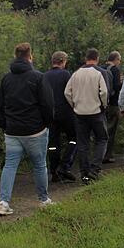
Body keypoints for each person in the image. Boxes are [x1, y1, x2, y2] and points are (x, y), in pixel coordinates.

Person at [0, 43, 55, 216]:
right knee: (39, 165)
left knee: (10, 165)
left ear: (15, 56)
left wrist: (5, 125)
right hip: (35, 130)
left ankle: (4, 202)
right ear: (30, 56)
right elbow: (47, 103)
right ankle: (43, 200)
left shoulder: (6, 79)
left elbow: (1, 105)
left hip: (12, 130)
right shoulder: (38, 77)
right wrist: (46, 123)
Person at [64, 48, 109, 184]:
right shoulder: (98, 73)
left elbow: (67, 92)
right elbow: (104, 92)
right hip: (95, 112)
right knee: (102, 139)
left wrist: (74, 105)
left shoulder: (76, 74)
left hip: (79, 112)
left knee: (83, 143)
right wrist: (103, 105)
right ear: (97, 58)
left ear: (85, 58)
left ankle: (84, 172)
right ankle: (94, 169)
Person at [44, 51, 77, 183]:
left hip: (50, 114)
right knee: (75, 138)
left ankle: (54, 170)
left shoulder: (44, 76)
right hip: (66, 112)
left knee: (53, 143)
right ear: (63, 61)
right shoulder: (65, 74)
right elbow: (70, 92)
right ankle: (65, 165)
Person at [103, 51, 122, 164]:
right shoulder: (115, 69)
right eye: (119, 60)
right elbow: (116, 86)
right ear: (116, 59)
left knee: (101, 130)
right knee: (111, 130)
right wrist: (121, 82)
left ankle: (98, 152)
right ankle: (107, 155)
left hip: (100, 104)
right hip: (112, 104)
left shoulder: (100, 68)